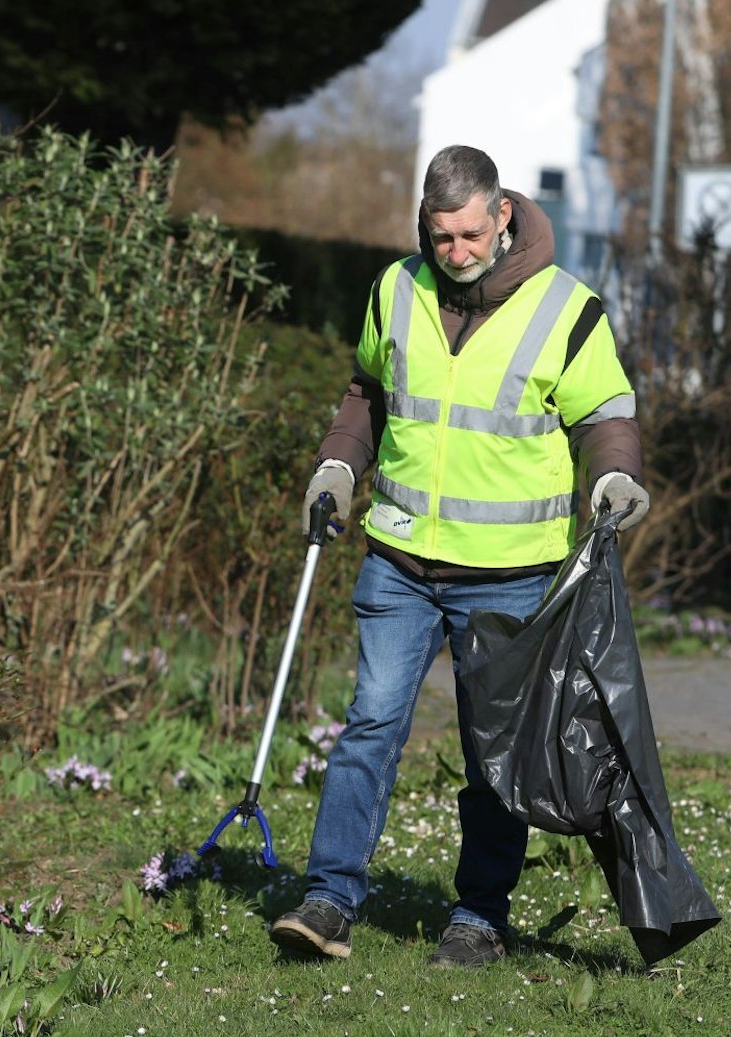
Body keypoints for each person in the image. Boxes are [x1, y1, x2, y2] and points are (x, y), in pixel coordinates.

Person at [268, 145, 649, 968]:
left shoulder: (567, 310)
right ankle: (329, 900)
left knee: (491, 754)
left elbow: (604, 414)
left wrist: (615, 474)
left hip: (509, 571)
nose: (456, 253)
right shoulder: (393, 290)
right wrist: (339, 462)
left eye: (470, 234)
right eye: (441, 238)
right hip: (400, 557)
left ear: (502, 214)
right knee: (370, 723)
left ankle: (478, 917)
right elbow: (368, 391)